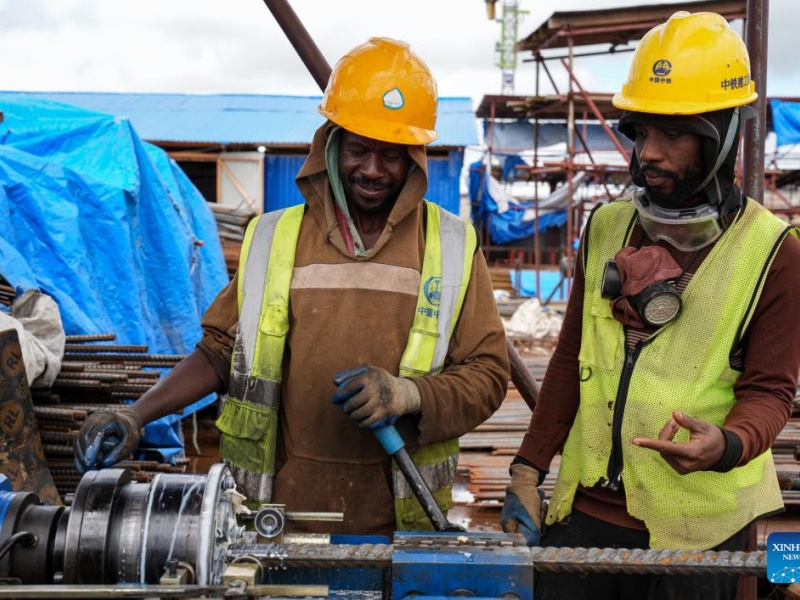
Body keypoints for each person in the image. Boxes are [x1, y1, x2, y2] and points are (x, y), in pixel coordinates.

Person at [73, 37, 510, 537]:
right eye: (360, 149)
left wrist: (406, 394)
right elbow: (220, 351)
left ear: (415, 156)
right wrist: (134, 415)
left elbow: (489, 374)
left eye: (391, 155)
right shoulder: (273, 237)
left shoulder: (451, 245)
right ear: (331, 143)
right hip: (274, 523)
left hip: (401, 528)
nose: (372, 169)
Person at [501, 11, 800, 600]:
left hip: (700, 534)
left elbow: (771, 392)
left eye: (674, 134)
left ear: (722, 135)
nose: (650, 153)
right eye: (642, 132)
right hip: (584, 519)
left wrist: (729, 443)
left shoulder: (775, 253)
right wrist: (528, 467)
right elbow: (568, 360)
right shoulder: (607, 226)